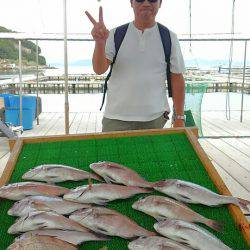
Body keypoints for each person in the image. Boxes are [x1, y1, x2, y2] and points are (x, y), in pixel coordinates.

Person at [85, 0, 185, 132]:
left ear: (160, 3)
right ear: (131, 3)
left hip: (155, 119)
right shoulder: (115, 34)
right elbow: (99, 69)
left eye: (152, 0)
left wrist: (179, 117)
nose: (146, 3)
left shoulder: (169, 37)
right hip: (115, 118)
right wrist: (99, 43)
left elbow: (177, 79)